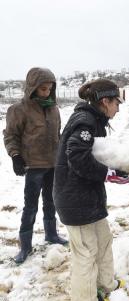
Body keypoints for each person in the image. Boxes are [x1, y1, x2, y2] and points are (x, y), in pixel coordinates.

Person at [53, 79, 129, 301]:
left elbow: (94, 156)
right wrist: (109, 174)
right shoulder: (85, 121)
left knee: (103, 240)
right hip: (74, 200)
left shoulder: (96, 120)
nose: (118, 108)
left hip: (88, 196)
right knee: (85, 253)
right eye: (116, 102)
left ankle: (105, 283)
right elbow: (77, 156)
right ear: (104, 101)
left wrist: (117, 168)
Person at [3, 67, 67, 264]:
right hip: (33, 166)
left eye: (49, 89)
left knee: (51, 202)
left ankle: (51, 234)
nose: (47, 92)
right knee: (30, 206)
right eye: (42, 89)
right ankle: (26, 246)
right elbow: (10, 135)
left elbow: (58, 135)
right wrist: (15, 156)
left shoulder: (54, 109)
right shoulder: (19, 109)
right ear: (32, 88)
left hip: (53, 164)